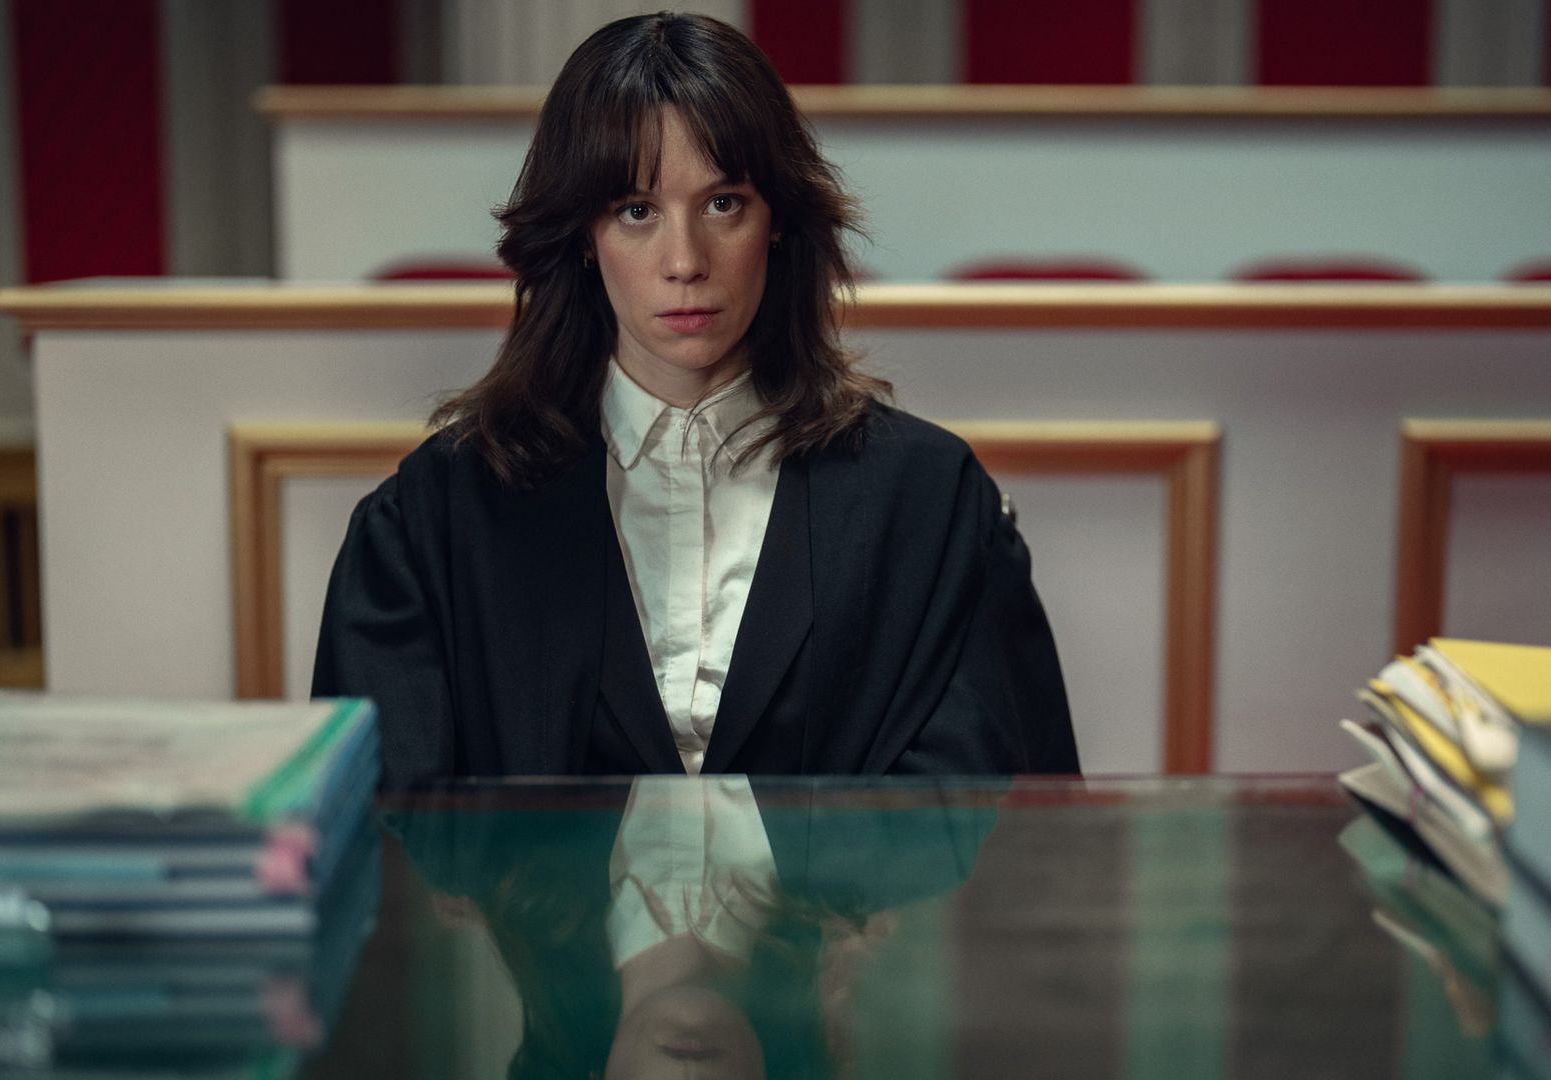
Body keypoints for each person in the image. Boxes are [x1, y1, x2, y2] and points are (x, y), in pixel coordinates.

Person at [313, 12, 1078, 784]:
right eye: (635, 211)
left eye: (724, 204)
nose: (685, 261)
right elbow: (384, 841)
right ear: (583, 235)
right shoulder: (434, 520)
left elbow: (1008, 833)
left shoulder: (930, 503)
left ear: (777, 221)